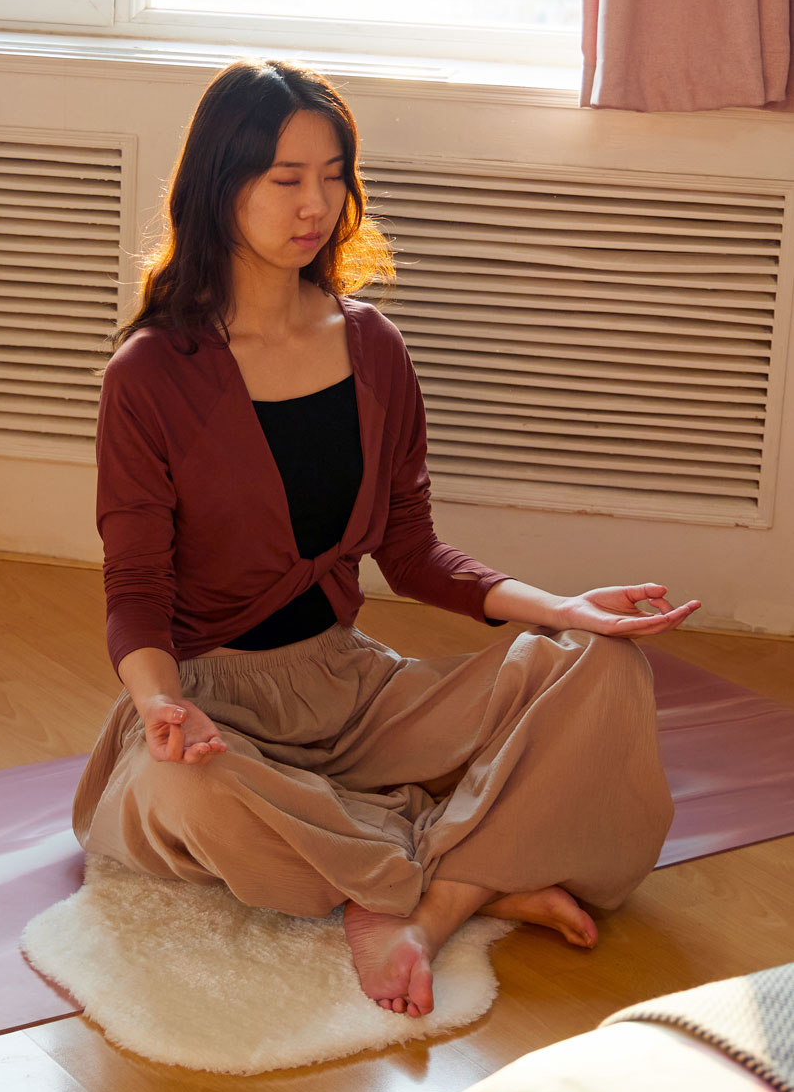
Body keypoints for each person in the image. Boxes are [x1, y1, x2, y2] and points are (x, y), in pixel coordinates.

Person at [73, 58, 700, 1021]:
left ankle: (424, 899)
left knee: (604, 669)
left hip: (350, 689)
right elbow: (135, 594)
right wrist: (163, 710)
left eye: (334, 174)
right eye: (286, 178)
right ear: (220, 183)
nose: (316, 202)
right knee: (181, 800)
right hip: (215, 714)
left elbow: (415, 554)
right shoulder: (151, 374)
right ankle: (469, 871)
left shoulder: (373, 347)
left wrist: (563, 609)